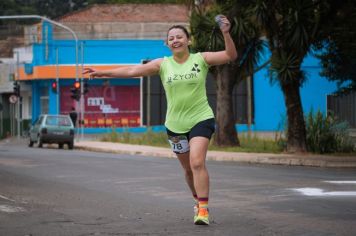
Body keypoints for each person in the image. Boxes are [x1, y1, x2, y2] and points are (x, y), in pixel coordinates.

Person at [83, 15, 237, 225]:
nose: (175, 40)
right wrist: (102, 73)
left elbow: (230, 55)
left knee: (197, 162)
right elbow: (131, 71)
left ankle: (203, 209)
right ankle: (196, 200)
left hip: (201, 118)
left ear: (188, 41)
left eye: (179, 37)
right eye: (171, 38)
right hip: (174, 125)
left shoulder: (201, 59)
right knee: (188, 169)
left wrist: (226, 33)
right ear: (167, 44)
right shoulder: (162, 65)